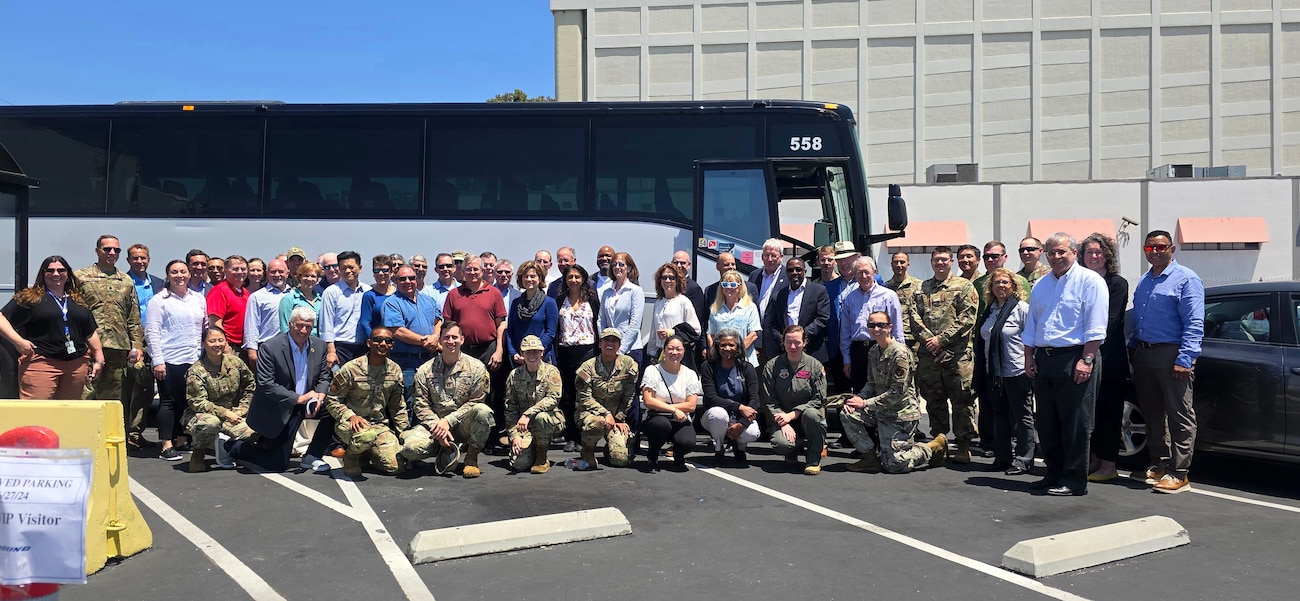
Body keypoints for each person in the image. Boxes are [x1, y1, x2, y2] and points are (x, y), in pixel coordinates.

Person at [1023, 232, 1109, 497]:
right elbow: (1032, 325)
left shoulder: (1090, 281)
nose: (1057, 257)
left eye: (1062, 252)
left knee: (1075, 423)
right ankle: (1053, 473)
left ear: (1074, 252)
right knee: (1047, 422)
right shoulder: (1041, 285)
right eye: (1052, 253)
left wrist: (1087, 359)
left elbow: (1096, 326)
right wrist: (1028, 357)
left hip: (1076, 357)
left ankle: (1074, 481)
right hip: (1045, 358)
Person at [1128, 229, 1204, 494]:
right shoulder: (1145, 280)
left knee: (1179, 413)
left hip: (1172, 354)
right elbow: (1139, 319)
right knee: (1152, 413)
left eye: (1161, 247)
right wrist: (1133, 347)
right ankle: (1159, 464)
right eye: (1150, 248)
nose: (1155, 252)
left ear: (1172, 249)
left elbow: (1194, 322)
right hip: (1145, 353)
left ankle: (1179, 472)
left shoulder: (1186, 279)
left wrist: (1185, 358)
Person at [227, 306, 336, 473]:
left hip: (307, 401)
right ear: (290, 324)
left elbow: (324, 376)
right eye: (299, 325)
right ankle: (232, 446)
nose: (304, 330)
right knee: (277, 464)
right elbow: (265, 384)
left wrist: (321, 394)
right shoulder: (271, 347)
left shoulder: (319, 345)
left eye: (308, 326)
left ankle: (312, 455)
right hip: (280, 406)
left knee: (335, 408)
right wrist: (298, 399)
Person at [840, 311, 947, 474]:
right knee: (847, 413)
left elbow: (898, 393)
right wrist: (859, 398)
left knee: (896, 465)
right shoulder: (874, 352)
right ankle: (870, 458)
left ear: (889, 327)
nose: (876, 329)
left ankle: (932, 447)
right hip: (880, 410)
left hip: (901, 414)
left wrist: (866, 403)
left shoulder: (900, 354)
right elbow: (871, 383)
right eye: (872, 325)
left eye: (881, 325)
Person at [400, 321, 496, 478]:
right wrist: (438, 427)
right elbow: (420, 405)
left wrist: (448, 421)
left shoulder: (476, 367)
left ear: (462, 339)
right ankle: (440, 448)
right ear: (440, 340)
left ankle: (471, 458)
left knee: (483, 412)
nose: (451, 341)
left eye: (454, 337)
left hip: (463, 424)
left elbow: (476, 401)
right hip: (434, 425)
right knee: (410, 450)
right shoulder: (425, 370)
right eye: (446, 337)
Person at [909, 246, 979, 463]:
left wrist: (942, 340)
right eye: (936, 260)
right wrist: (930, 341)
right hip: (930, 358)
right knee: (934, 401)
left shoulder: (964, 287)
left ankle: (963, 445)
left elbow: (967, 319)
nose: (940, 263)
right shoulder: (922, 288)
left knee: (962, 401)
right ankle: (939, 443)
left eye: (944, 260)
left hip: (957, 358)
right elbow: (914, 318)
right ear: (931, 262)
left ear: (951, 262)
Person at [1, 256, 104, 400]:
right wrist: (18, 342)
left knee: (67, 413)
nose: (56, 274)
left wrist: (99, 357)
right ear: (43, 274)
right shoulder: (30, 297)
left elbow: (89, 331)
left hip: (76, 365)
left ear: (68, 274)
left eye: (61, 270)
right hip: (42, 362)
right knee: (37, 414)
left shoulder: (77, 299)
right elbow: (1, 318)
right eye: (50, 271)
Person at [144, 260, 207, 461]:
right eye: (174, 272)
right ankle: (166, 445)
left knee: (186, 401)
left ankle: (181, 440)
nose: (179, 275)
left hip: (193, 359)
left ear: (189, 275)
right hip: (169, 358)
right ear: (168, 275)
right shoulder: (159, 300)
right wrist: (157, 361)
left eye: (182, 272)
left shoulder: (197, 299)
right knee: (168, 402)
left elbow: (202, 327)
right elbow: (152, 332)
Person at [441, 256, 509, 445]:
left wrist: (499, 350)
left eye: (475, 269)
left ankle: (492, 436)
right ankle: (465, 436)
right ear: (462, 271)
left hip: (488, 349)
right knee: (463, 392)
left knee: (492, 391)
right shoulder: (454, 294)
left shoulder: (493, 292)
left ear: (483, 271)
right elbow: (448, 324)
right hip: (464, 351)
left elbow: (501, 324)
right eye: (468, 269)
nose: (472, 273)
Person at [326, 326, 410, 477]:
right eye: (377, 340)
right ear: (369, 343)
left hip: (379, 426)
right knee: (365, 437)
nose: (383, 344)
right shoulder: (351, 369)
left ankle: (368, 453)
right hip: (352, 424)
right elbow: (332, 400)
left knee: (395, 467)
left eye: (388, 341)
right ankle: (351, 456)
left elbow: (397, 407)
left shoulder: (395, 370)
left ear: (392, 345)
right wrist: (350, 416)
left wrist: (404, 434)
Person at [75, 235, 145, 416]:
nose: (112, 253)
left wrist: (137, 345)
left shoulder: (126, 281)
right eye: (107, 249)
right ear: (97, 250)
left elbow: (133, 317)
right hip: (87, 346)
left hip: (118, 348)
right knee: (84, 394)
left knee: (113, 400)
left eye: (116, 250)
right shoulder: (80, 277)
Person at [1080, 233, 1130, 483]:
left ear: (1107, 255)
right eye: (1089, 252)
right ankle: (1094, 459)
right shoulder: (1078, 282)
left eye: (1098, 251)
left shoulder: (1117, 284)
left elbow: (1110, 321)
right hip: (1084, 355)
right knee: (1090, 413)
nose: (1094, 256)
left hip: (1109, 359)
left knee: (1109, 412)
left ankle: (1109, 464)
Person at [976, 268, 1036, 476]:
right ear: (990, 287)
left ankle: (1024, 459)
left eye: (1005, 282)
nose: (1000, 286)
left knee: (1022, 416)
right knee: (999, 416)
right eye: (996, 283)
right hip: (994, 373)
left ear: (1013, 286)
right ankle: (1002, 457)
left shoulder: (1022, 309)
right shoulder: (990, 311)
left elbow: (1032, 338)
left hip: (1017, 370)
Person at [184, 326, 256, 473]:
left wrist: (242, 409)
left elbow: (250, 385)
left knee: (253, 433)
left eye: (220, 340)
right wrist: (225, 413)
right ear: (203, 344)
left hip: (233, 412)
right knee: (210, 424)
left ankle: (228, 448)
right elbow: (198, 402)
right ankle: (198, 454)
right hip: (204, 414)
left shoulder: (235, 362)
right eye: (212, 341)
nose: (217, 344)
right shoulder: (196, 371)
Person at [764, 325, 828, 475]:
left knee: (813, 415)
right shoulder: (772, 366)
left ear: (805, 343)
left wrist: (794, 414)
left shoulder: (815, 366)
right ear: (783, 343)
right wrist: (784, 421)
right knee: (781, 445)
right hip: (782, 417)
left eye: (797, 342)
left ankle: (813, 460)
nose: (793, 346)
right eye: (788, 342)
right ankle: (793, 448)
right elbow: (769, 399)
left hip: (807, 417)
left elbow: (819, 398)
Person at [575, 328, 639, 468]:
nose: (610, 343)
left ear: (619, 345)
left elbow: (629, 396)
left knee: (619, 460)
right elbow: (585, 399)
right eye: (606, 340)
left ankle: (610, 448)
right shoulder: (587, 367)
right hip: (591, 414)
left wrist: (619, 418)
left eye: (614, 340)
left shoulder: (628, 365)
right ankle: (588, 450)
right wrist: (606, 414)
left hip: (615, 417)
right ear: (599, 343)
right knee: (597, 423)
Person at [839, 256, 904, 393]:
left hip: (882, 349)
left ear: (874, 272)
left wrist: (901, 354)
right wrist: (847, 359)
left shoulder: (888, 296)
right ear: (855, 275)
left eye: (867, 272)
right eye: (859, 273)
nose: (863, 276)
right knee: (860, 392)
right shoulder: (849, 298)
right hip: (858, 352)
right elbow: (845, 331)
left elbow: (897, 328)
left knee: (884, 391)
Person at [639, 335, 701, 472]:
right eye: (670, 349)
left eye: (678, 349)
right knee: (661, 425)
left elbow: (691, 405)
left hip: (680, 418)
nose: (674, 353)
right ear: (664, 350)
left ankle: (679, 455)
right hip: (656, 417)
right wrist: (675, 410)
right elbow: (648, 401)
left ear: (684, 351)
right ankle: (653, 454)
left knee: (688, 442)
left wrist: (666, 406)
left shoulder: (690, 374)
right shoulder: (652, 370)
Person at [124, 243, 166, 449]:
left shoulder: (159, 283)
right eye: (135, 258)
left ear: (148, 259)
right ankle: (122, 432)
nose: (140, 261)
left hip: (154, 342)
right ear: (128, 261)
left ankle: (135, 434)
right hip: (131, 342)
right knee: (128, 388)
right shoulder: (123, 282)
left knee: (146, 390)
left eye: (143, 258)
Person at [556, 264, 601, 453]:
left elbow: (597, 322)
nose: (573, 280)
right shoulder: (559, 299)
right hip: (566, 352)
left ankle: (584, 437)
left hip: (587, 352)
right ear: (565, 279)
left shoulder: (592, 299)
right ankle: (570, 437)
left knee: (584, 396)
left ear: (583, 279)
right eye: (570, 277)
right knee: (567, 397)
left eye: (577, 277)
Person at [504, 335, 565, 474]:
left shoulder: (551, 372)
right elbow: (510, 409)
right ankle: (530, 448)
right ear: (522, 354)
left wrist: (528, 413)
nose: (532, 355)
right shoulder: (515, 375)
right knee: (519, 464)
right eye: (528, 352)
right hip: (523, 427)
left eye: (536, 351)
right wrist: (515, 436)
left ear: (542, 353)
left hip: (548, 420)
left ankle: (541, 456)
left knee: (541, 417)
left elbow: (553, 398)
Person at [700, 329, 760, 464]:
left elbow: (755, 399)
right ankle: (719, 447)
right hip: (714, 416)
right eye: (723, 345)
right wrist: (739, 406)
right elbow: (711, 397)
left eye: (731, 345)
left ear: (738, 347)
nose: (727, 348)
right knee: (718, 414)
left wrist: (742, 424)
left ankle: (740, 447)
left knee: (752, 433)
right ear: (717, 347)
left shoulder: (747, 368)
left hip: (740, 416)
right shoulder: (708, 366)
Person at [383, 265, 442, 399]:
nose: (408, 282)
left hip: (431, 360)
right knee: (409, 401)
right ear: (396, 281)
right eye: (403, 279)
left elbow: (438, 320)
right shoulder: (391, 303)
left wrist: (435, 336)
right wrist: (425, 341)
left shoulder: (429, 300)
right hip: (406, 363)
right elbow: (397, 330)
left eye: (411, 278)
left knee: (432, 400)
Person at [762, 258, 830, 364]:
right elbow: (771, 323)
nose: (794, 273)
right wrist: (784, 339)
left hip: (812, 351)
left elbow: (823, 319)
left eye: (798, 270)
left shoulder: (819, 291)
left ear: (805, 271)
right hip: (786, 353)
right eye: (790, 270)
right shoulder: (779, 295)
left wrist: (800, 337)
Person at [320, 250, 371, 368]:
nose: (348, 271)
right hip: (340, 348)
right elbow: (326, 324)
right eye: (343, 268)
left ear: (360, 268)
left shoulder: (368, 291)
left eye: (351, 267)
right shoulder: (331, 292)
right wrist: (331, 351)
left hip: (363, 347)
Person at [646, 262, 700, 366]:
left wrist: (672, 332)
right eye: (664, 277)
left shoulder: (683, 302)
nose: (667, 281)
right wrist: (651, 353)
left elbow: (696, 329)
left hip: (678, 355)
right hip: (661, 354)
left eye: (671, 278)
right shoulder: (658, 303)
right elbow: (653, 330)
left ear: (677, 280)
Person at [506, 260, 558, 365]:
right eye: (525, 276)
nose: (529, 279)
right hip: (519, 359)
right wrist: (513, 352)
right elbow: (510, 331)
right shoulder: (516, 303)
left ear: (540, 278)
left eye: (533, 276)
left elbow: (551, 332)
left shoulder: (549, 302)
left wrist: (535, 352)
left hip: (542, 358)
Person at [706, 269, 761, 366]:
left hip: (745, 359)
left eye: (732, 285)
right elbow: (710, 335)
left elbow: (753, 334)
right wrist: (716, 354)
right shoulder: (715, 308)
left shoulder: (750, 307)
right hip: (721, 361)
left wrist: (736, 353)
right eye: (725, 285)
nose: (728, 288)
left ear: (740, 287)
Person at [242, 258, 291, 366]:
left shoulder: (295, 295)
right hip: (266, 348)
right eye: (273, 272)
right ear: (267, 274)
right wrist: (252, 352)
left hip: (292, 349)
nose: (277, 275)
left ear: (287, 273)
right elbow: (251, 326)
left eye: (281, 271)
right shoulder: (257, 297)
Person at [599, 252, 645, 364]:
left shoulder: (635, 291)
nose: (617, 267)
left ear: (629, 268)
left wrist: (621, 349)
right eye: (614, 264)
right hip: (609, 350)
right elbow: (601, 320)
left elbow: (635, 323)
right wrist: (604, 343)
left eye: (621, 264)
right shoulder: (607, 292)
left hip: (630, 350)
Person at [748, 239, 787, 364]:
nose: (769, 259)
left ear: (781, 257)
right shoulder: (754, 275)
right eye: (766, 255)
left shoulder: (788, 276)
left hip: (778, 339)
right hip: (756, 339)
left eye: (774, 255)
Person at [971, 241, 1031, 317]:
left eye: (994, 256)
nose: (989, 260)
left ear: (1005, 257)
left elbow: (1027, 311)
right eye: (986, 257)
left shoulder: (1019, 281)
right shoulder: (977, 283)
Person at [207, 255, 250, 352]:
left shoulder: (245, 292)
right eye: (235, 269)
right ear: (225, 271)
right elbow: (215, 324)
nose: (240, 272)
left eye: (243, 269)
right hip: (229, 348)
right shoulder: (218, 291)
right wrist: (226, 348)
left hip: (244, 346)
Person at [883, 251, 922, 350]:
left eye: (902, 262)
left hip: (915, 338)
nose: (899, 265)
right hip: (892, 338)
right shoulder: (885, 288)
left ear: (908, 264)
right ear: (891, 265)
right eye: (896, 262)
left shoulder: (919, 286)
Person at [357, 254, 396, 344]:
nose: (380, 274)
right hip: (378, 345)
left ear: (391, 272)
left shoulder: (399, 293)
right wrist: (376, 340)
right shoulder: (369, 296)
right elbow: (365, 323)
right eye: (377, 270)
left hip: (398, 345)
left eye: (385, 270)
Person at [279, 262, 323, 336]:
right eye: (306, 276)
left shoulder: (321, 300)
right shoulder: (289, 299)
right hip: (297, 342)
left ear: (317, 279)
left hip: (317, 344)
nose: (309, 279)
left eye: (313, 276)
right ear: (299, 277)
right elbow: (285, 328)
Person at [671, 251, 708, 327]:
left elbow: (697, 318)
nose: (678, 265)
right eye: (675, 262)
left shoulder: (694, 289)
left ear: (689, 265)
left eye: (683, 263)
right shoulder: (667, 286)